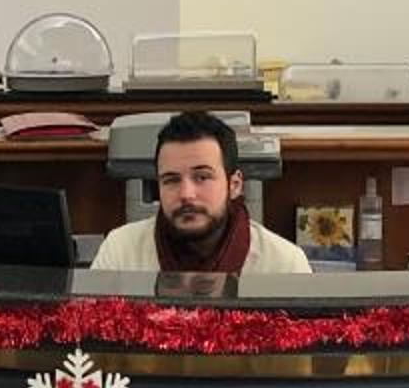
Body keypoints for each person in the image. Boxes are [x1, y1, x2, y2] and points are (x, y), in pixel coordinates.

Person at [91, 111, 311, 274]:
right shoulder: (120, 252)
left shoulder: (284, 264)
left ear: (234, 185)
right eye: (171, 180)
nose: (186, 194)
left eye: (202, 177)